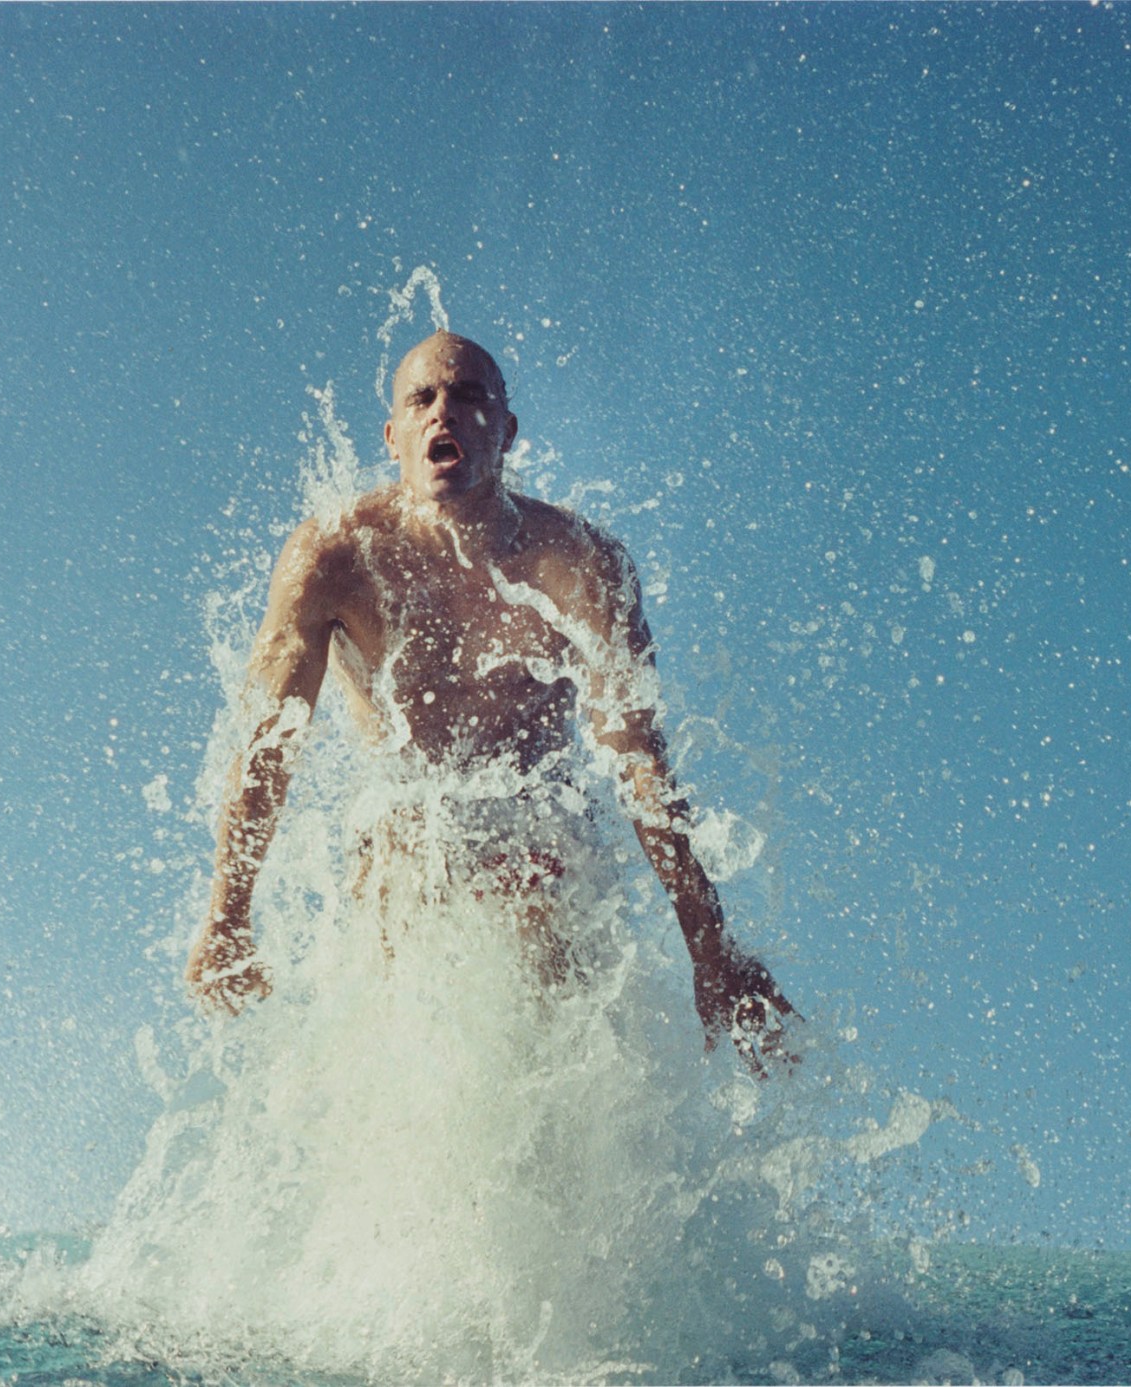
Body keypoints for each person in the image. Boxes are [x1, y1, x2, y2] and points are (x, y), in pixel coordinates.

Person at [185, 331, 795, 1074]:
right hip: (409, 834)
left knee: (546, 896)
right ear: (394, 436)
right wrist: (227, 914)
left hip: (538, 835)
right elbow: (268, 745)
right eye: (423, 399)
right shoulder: (334, 558)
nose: (445, 413)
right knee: (398, 842)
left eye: (470, 398)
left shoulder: (578, 563)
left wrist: (713, 948)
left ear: (505, 431)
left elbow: (642, 769)